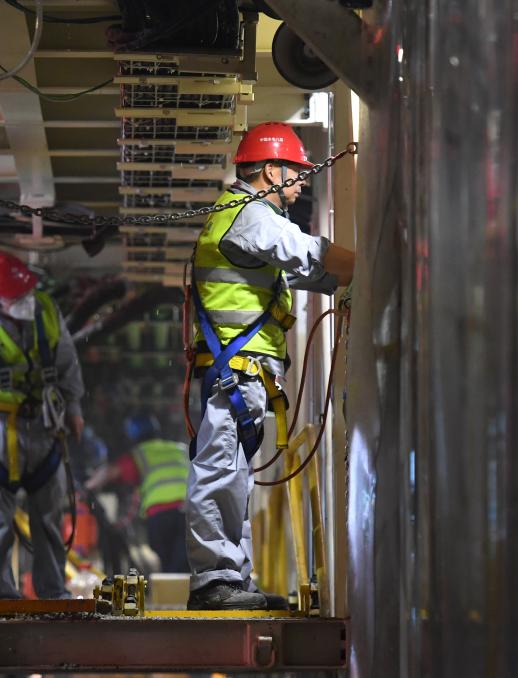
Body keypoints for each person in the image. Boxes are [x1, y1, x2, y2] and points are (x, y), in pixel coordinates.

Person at [186, 122, 355, 610]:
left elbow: (303, 270)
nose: (301, 184)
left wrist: (338, 278)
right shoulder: (250, 214)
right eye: (297, 172)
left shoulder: (241, 217)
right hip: (234, 373)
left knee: (232, 476)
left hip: (240, 373)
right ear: (270, 171)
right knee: (221, 471)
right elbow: (305, 250)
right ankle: (214, 582)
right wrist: (375, 264)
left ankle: (231, 579)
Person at [0, 250, 85, 599]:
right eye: (16, 295)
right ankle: (0, 595)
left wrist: (74, 408)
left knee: (49, 517)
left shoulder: (46, 310)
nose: (25, 300)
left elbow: (68, 362)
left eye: (26, 291)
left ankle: (53, 593)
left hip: (45, 427)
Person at [84, 414, 189, 572]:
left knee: (166, 563)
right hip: (188, 511)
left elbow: (110, 472)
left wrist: (86, 487)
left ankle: (171, 586)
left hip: (160, 512)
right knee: (184, 561)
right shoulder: (180, 448)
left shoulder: (139, 453)